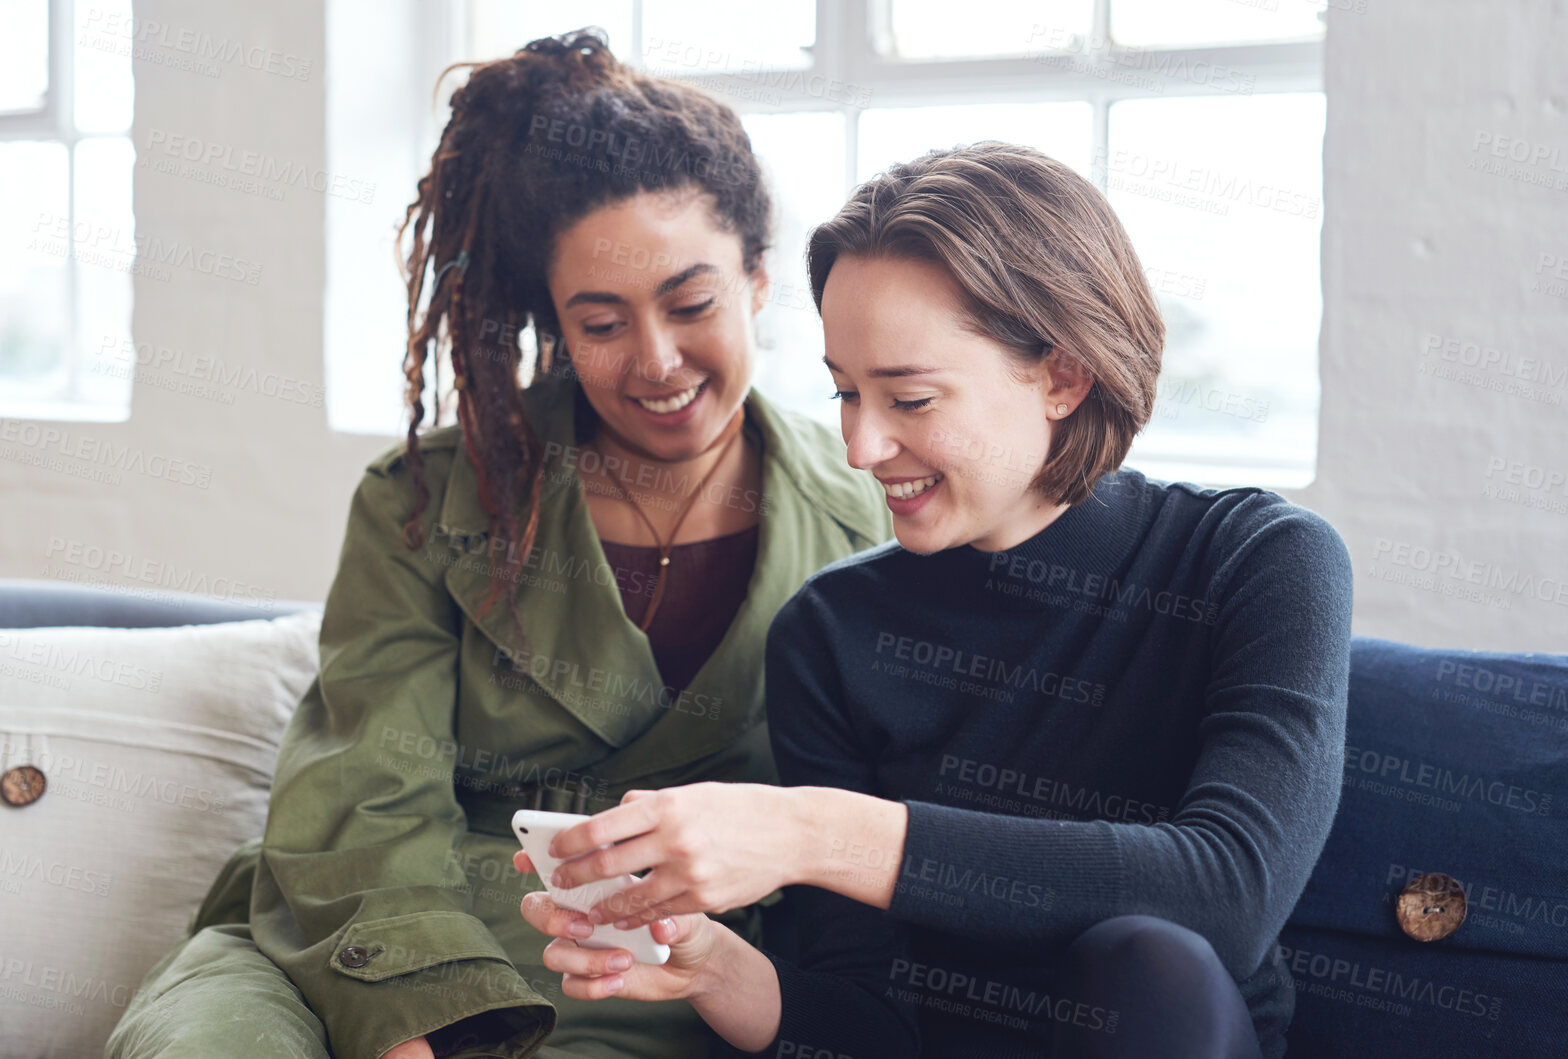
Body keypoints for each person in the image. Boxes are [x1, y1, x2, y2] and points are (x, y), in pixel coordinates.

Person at [104, 30, 891, 1059]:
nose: (656, 361)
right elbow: (359, 798)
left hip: (645, 968)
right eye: (600, 323)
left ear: (754, 278)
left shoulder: (869, 517)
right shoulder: (424, 502)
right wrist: (411, 1033)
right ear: (552, 324)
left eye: (690, 304)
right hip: (350, 942)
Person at [518, 142, 1354, 1059]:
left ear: (1063, 376)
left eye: (910, 399)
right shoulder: (831, 633)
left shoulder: (1259, 562)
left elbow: (1229, 896)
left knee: (1144, 959)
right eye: (845, 392)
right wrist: (712, 964)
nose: (861, 447)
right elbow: (868, 1023)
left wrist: (813, 833)